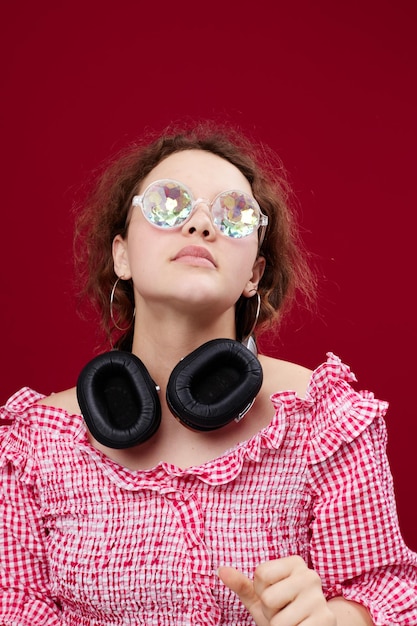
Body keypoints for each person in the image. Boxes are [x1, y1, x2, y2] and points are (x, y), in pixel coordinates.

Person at [0, 121, 416, 626]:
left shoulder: (328, 421)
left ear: (254, 275)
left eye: (235, 214)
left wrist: (335, 620)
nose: (200, 226)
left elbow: (388, 594)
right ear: (122, 254)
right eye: (168, 204)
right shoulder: (31, 448)